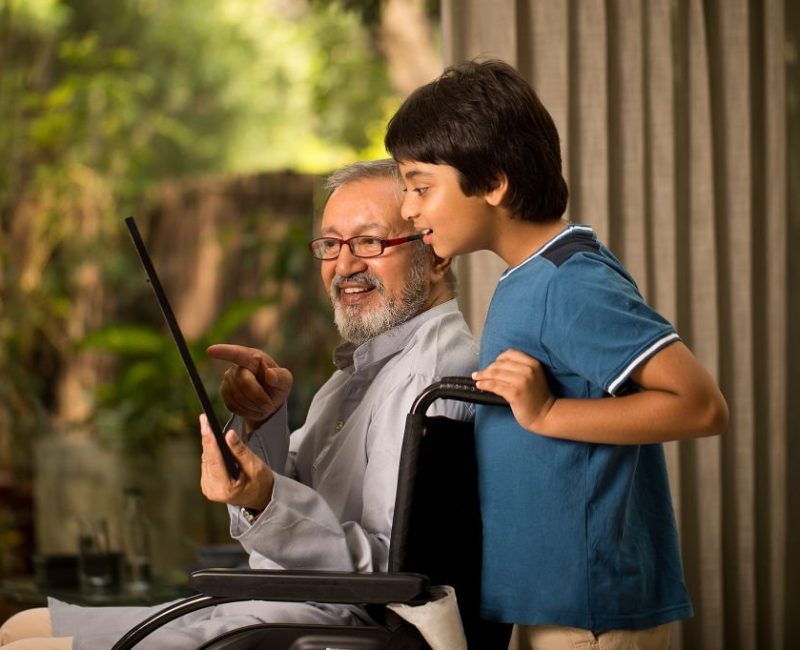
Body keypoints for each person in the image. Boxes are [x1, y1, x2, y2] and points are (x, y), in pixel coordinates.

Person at [0, 159, 478, 649]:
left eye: (370, 242)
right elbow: (303, 490)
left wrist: (264, 500)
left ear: (435, 254)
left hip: (324, 627)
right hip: (279, 606)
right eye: (331, 244)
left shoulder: (426, 377)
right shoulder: (363, 371)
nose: (345, 265)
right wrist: (264, 421)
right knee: (18, 627)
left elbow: (390, 570)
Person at [385, 59, 729, 649]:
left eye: (420, 187)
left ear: (493, 183)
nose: (409, 209)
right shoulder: (528, 277)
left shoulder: (570, 282)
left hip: (591, 611)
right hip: (557, 601)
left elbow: (700, 406)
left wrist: (548, 415)